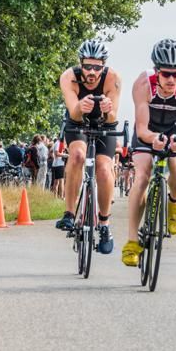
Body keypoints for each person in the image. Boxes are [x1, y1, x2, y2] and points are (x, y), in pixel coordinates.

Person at [122, 39, 176, 267]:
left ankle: (175, 202)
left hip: (175, 130)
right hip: (148, 131)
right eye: (166, 74)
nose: (172, 80)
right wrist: (154, 139)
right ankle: (132, 242)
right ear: (157, 71)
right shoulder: (143, 85)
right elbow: (142, 129)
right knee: (143, 176)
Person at [55, 40, 122, 255]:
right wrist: (79, 108)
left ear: (104, 66)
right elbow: (73, 113)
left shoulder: (113, 78)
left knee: (103, 168)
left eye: (97, 67)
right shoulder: (68, 77)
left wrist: (108, 110)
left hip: (105, 124)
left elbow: (113, 117)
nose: (92, 72)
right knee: (76, 156)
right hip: (78, 122)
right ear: (80, 63)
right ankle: (69, 213)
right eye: (87, 66)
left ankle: (104, 224)